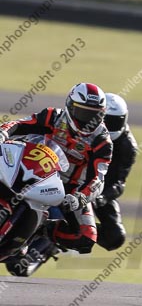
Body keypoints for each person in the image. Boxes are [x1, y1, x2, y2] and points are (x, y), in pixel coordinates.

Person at [0, 83, 112, 259]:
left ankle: (41, 228)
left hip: (69, 187)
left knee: (86, 237)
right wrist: (3, 132)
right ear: (70, 107)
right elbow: (19, 124)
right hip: (33, 164)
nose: (88, 121)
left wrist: (80, 197)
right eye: (83, 113)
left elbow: (97, 179)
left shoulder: (102, 141)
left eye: (95, 115)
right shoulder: (53, 116)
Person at [94, 93, 137, 251]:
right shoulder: (84, 130)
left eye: (112, 122)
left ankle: (73, 235)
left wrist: (102, 196)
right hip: (71, 179)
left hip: (98, 190)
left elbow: (119, 183)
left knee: (115, 236)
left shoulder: (127, 147)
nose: (106, 126)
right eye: (103, 120)